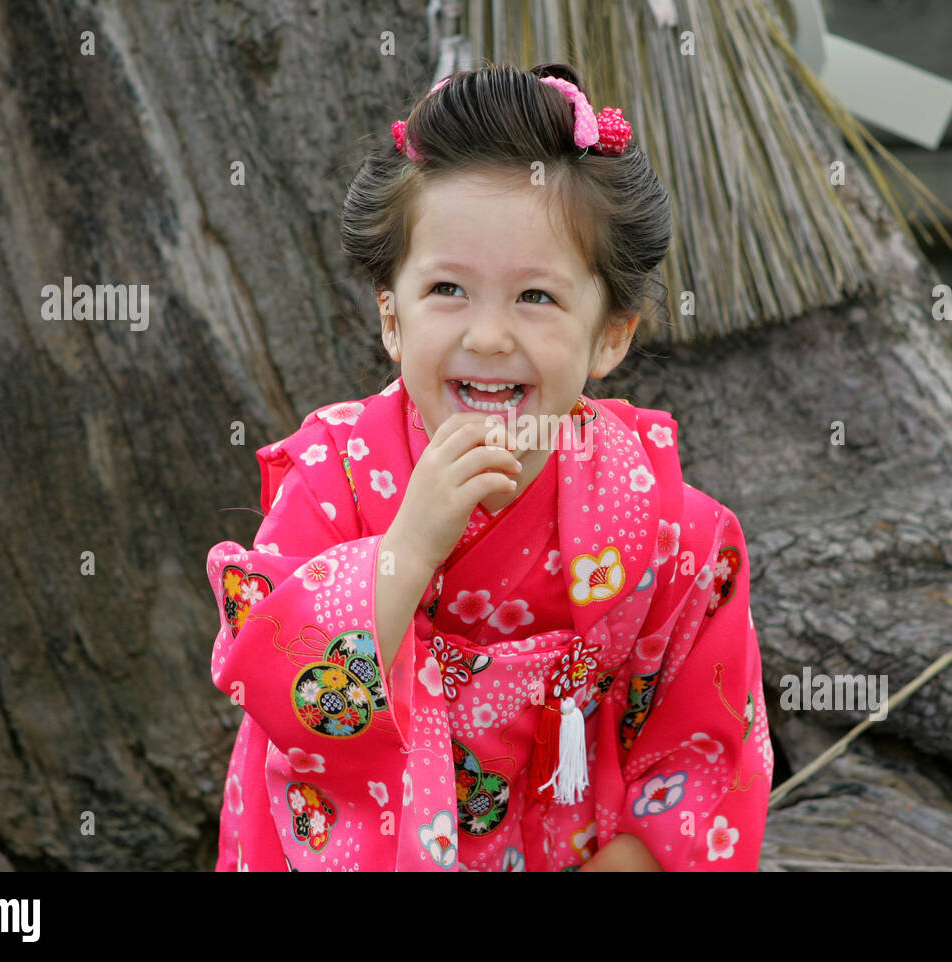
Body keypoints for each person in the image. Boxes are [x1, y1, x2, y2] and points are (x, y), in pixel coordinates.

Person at [205, 61, 773, 871]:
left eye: (536, 297)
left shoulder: (670, 528)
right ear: (392, 317)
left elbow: (700, 764)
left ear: (611, 335)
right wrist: (407, 549)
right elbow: (271, 677)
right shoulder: (335, 477)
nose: (488, 337)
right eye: (448, 289)